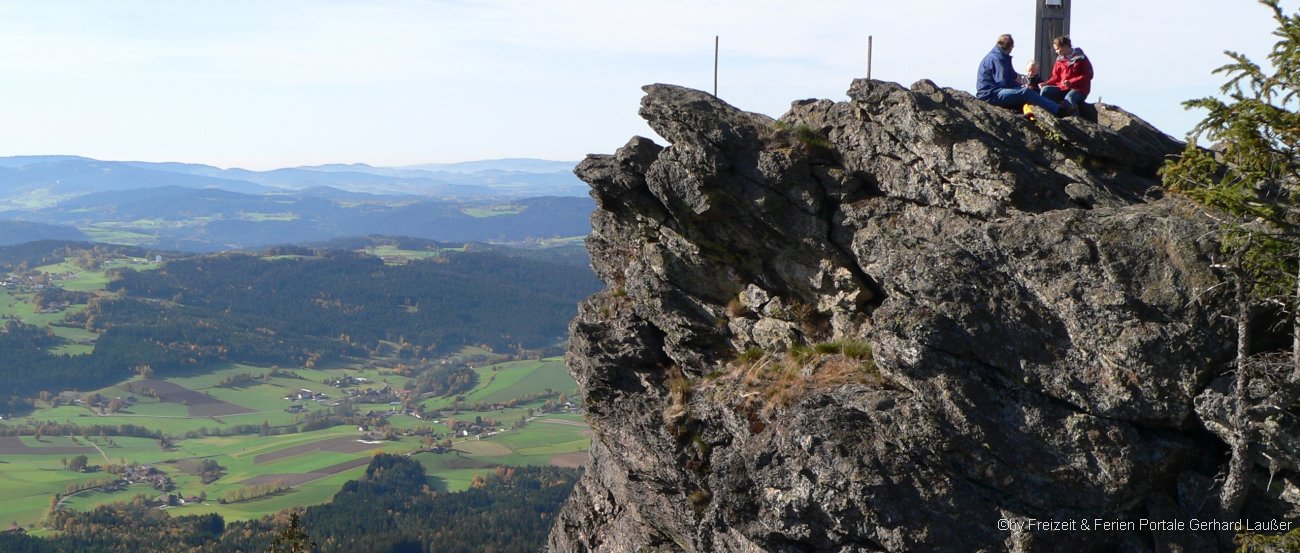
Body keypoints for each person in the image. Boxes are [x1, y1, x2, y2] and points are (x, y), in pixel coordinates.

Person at [976, 34, 1064, 116]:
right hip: (991, 94)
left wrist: (1020, 85)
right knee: (1025, 92)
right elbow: (1003, 82)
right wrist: (1020, 86)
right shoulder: (998, 59)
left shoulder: (996, 56)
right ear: (1010, 47)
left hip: (991, 92)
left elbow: (1011, 76)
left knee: (1024, 93)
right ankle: (1057, 110)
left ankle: (1032, 115)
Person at [1039, 36, 1093, 116]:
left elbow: (1088, 75)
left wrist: (1071, 82)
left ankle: (1076, 121)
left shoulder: (1081, 58)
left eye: (1058, 49)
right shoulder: (1059, 60)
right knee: (1045, 90)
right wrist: (1046, 83)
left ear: (1065, 46)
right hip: (1062, 88)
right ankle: (1053, 114)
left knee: (1070, 98)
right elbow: (1055, 77)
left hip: (1079, 89)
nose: (1056, 52)